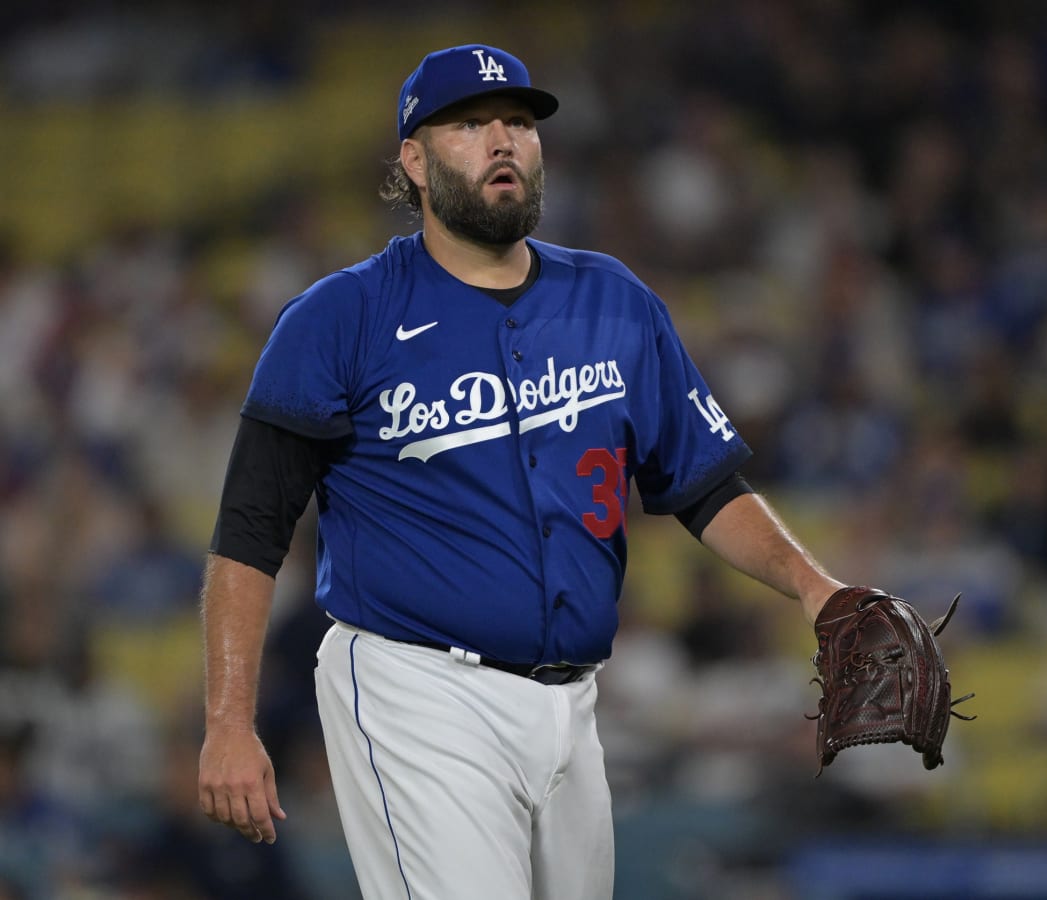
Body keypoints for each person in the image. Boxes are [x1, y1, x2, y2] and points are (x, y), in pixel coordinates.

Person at [197, 43, 847, 900]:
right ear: (415, 161)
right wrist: (227, 721)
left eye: (518, 123)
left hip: (572, 708)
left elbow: (703, 486)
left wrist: (815, 586)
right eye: (470, 125)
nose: (503, 140)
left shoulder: (612, 301)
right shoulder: (339, 318)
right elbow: (248, 532)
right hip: (415, 688)